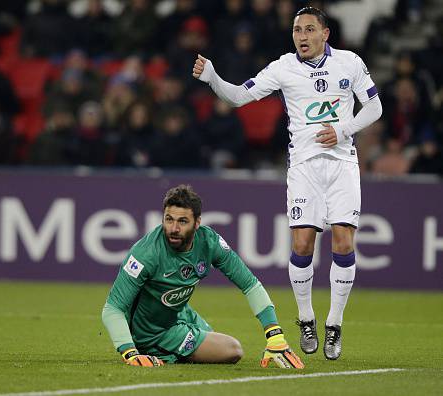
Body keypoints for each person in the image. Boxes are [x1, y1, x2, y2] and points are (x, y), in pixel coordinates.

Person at [192, 6, 383, 360]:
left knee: (343, 242)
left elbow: (374, 108)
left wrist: (342, 130)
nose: (302, 36)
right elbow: (237, 97)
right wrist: (213, 78)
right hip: (304, 168)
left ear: (326, 34)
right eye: (297, 30)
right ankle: (307, 318)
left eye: (309, 29)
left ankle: (335, 324)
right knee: (302, 242)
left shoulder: (350, 63)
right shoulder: (283, 67)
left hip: (343, 164)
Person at [101, 185, 304, 368]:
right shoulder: (146, 253)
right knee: (232, 350)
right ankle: (156, 349)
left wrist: (275, 336)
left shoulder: (209, 243)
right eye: (168, 219)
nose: (173, 229)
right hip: (153, 332)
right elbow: (113, 308)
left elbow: (250, 285)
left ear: (197, 222)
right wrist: (130, 352)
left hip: (179, 313)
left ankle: (176, 348)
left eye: (182, 221)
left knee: (213, 339)